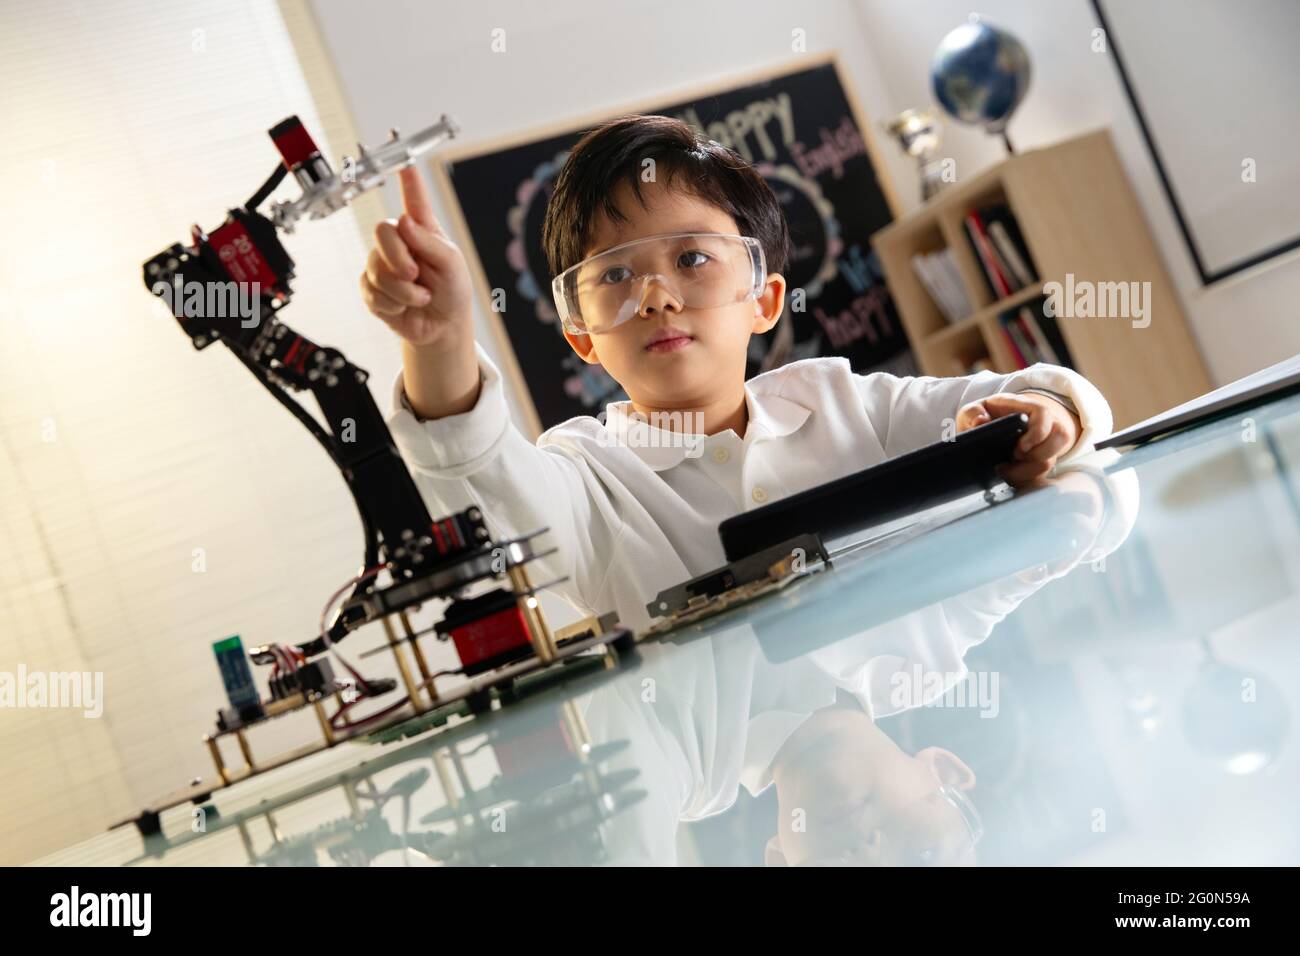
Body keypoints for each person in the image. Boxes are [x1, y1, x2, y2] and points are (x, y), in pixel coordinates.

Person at [362, 114, 1113, 631]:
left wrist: (1051, 413)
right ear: (581, 335)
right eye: (616, 276)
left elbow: (1054, 395)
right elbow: (493, 510)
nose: (656, 295)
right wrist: (442, 344)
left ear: (764, 300)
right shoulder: (587, 478)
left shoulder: (844, 402)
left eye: (691, 258)